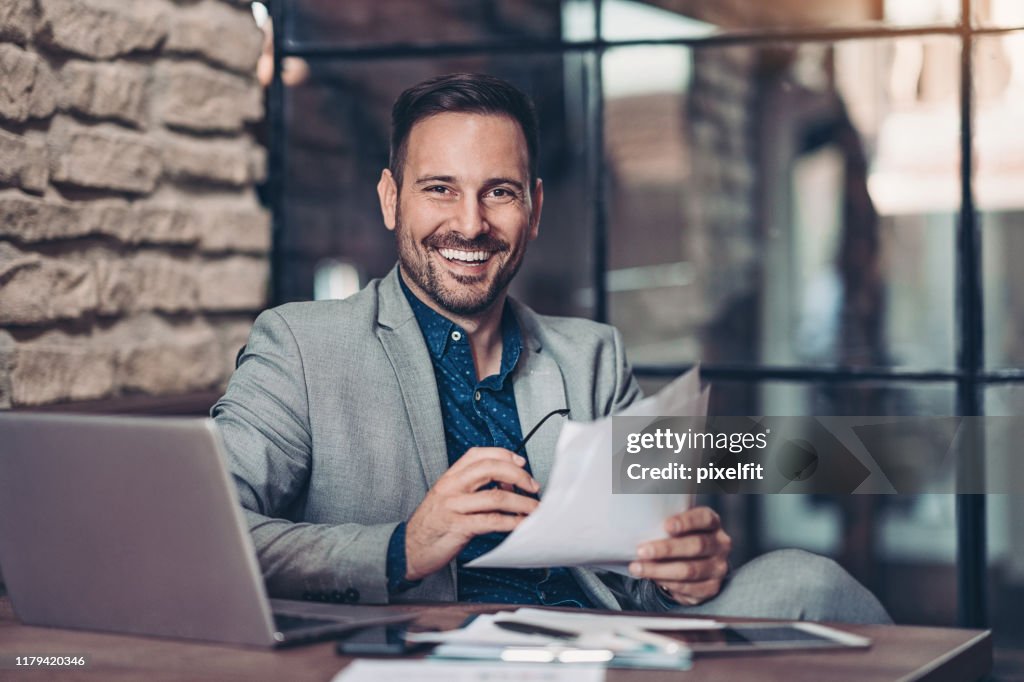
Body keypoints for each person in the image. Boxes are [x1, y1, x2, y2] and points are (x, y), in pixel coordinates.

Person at [213, 73, 890, 623]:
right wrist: (400, 548)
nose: (470, 223)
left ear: (532, 208)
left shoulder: (593, 357)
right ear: (392, 200)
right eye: (439, 189)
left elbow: (637, 584)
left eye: (498, 193)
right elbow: (214, 533)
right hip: (426, 655)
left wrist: (682, 573)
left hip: (598, 650)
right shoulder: (299, 345)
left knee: (807, 580)